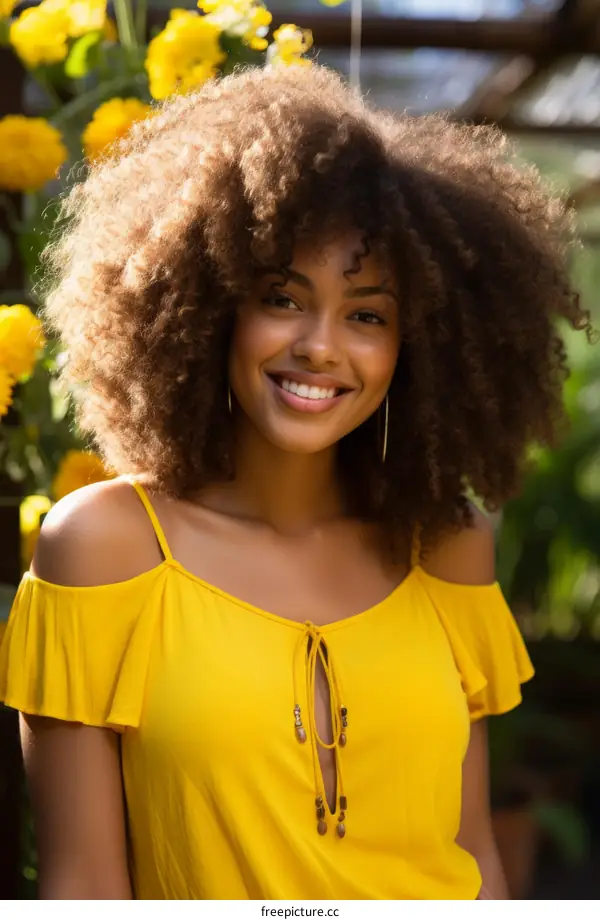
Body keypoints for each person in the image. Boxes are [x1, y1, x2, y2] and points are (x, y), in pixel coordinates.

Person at [0, 64, 591, 901]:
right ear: (208, 307)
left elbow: (475, 860)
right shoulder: (105, 549)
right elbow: (81, 891)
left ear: (415, 348)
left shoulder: (449, 547)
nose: (320, 346)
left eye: (367, 314)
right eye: (283, 297)